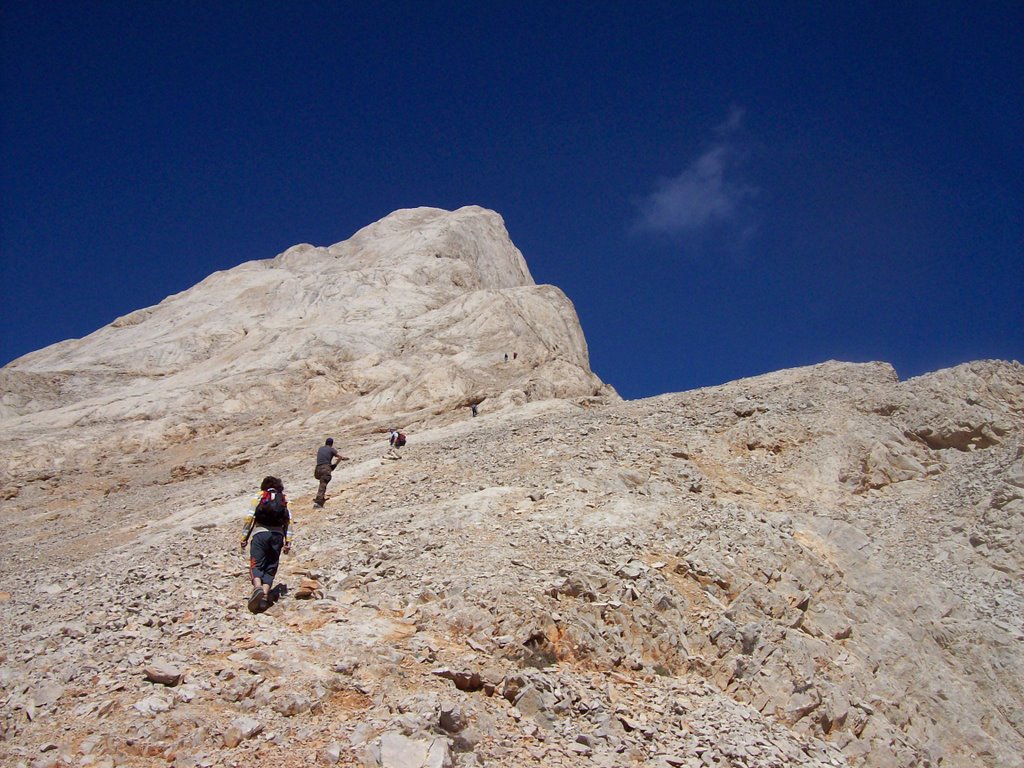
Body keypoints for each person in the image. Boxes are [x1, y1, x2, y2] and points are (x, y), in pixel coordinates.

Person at [240, 476, 292, 613]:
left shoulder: (261, 496)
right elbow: (289, 521)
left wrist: (244, 536)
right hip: (278, 536)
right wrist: (288, 541)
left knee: (256, 562)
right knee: (271, 565)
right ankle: (264, 595)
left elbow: (249, 517)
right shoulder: (284, 498)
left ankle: (257, 587)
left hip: (260, 533)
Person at [313, 437, 348, 508]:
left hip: (317, 470)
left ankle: (321, 497)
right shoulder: (331, 449)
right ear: (332, 444)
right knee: (323, 484)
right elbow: (340, 457)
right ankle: (318, 503)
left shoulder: (320, 448)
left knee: (322, 481)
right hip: (325, 469)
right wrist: (336, 464)